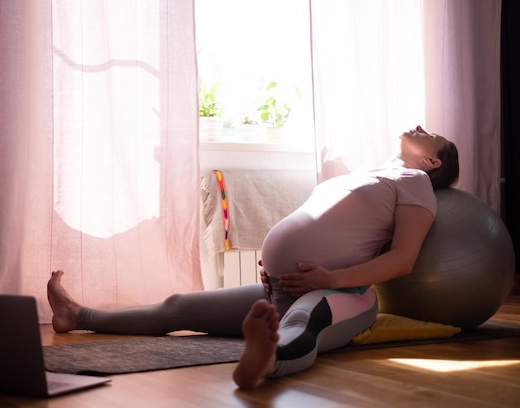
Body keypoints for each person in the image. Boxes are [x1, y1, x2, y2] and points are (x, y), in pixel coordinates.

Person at [48, 125, 459, 389]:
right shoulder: (364, 176)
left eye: (430, 134)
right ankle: (79, 316)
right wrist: (278, 263)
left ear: (431, 161)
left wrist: (328, 280)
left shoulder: (415, 181)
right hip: (285, 287)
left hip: (344, 293)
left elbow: (403, 259)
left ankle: (266, 363)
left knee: (304, 323)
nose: (421, 126)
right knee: (178, 306)